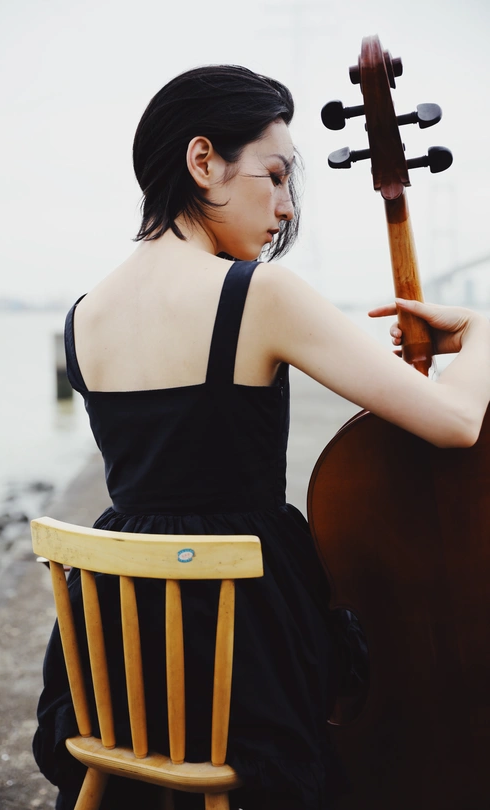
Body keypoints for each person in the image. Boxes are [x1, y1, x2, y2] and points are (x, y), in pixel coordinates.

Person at [33, 65, 490, 810]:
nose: (285, 207)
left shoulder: (84, 313)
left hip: (120, 644)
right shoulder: (260, 293)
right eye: (274, 176)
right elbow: (456, 423)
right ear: (203, 160)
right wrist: (484, 333)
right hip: (243, 646)